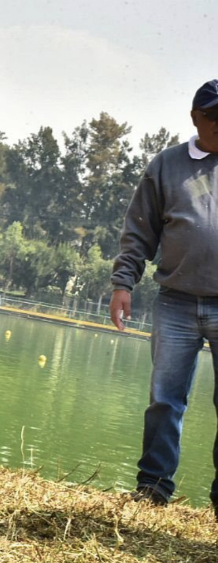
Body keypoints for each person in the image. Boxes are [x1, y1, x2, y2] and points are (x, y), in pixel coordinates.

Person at [110, 79, 218, 514]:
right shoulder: (167, 165)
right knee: (165, 401)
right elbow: (140, 230)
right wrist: (123, 283)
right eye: (213, 117)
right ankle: (153, 488)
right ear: (195, 117)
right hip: (175, 300)